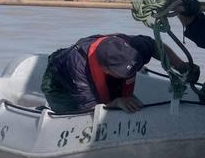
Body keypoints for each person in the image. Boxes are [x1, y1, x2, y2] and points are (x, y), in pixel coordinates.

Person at [40, 33, 194, 114]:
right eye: (121, 73)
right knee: (71, 113)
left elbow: (155, 46)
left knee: (130, 106)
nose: (128, 75)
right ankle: (45, 110)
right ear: (105, 69)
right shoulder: (77, 71)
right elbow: (87, 109)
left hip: (101, 71)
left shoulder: (134, 47)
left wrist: (181, 66)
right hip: (60, 83)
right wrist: (115, 103)